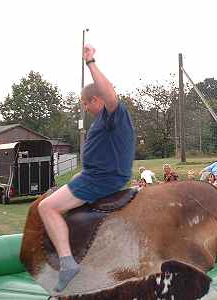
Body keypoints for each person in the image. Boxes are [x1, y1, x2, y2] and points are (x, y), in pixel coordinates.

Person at [37, 44, 135, 293]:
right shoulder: (103, 121)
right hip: (94, 175)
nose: (86, 108)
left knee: (46, 207)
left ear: (96, 99)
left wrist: (91, 62)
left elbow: (111, 95)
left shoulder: (113, 114)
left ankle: (68, 263)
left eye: (86, 103)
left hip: (101, 179)